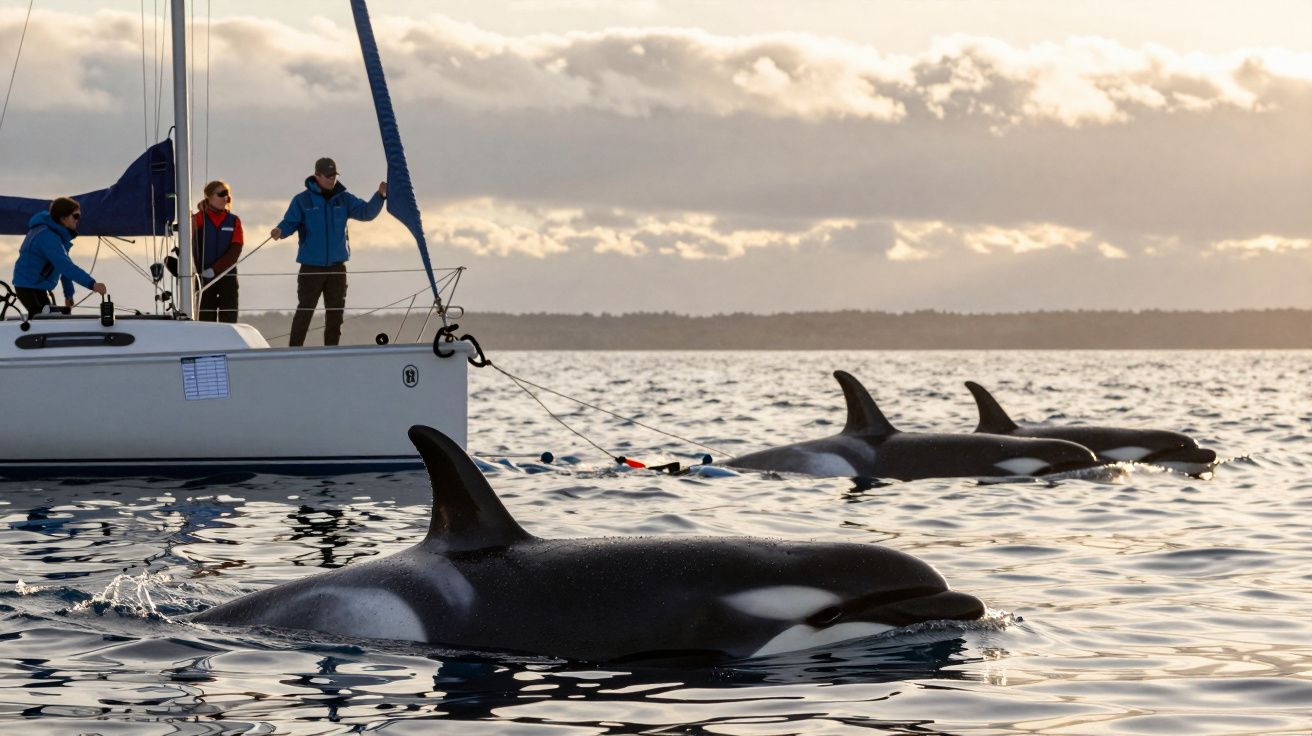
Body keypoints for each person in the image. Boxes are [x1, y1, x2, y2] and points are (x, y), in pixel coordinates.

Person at [270, 157, 386, 346]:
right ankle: (294, 352)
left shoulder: (344, 198)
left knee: (335, 315)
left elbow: (366, 212)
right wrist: (280, 231)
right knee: (305, 311)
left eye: (334, 175)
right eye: (328, 176)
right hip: (311, 267)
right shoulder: (302, 200)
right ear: (317, 175)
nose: (332, 179)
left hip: (337, 267)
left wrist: (380, 196)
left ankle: (332, 353)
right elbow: (290, 222)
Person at [11, 197, 107, 316]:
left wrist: (68, 294)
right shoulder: (47, 237)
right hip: (27, 287)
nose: (77, 220)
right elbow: (65, 267)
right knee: (43, 319)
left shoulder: (56, 236)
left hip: (36, 286)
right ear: (63, 218)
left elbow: (63, 267)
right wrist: (92, 284)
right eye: (75, 216)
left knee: (50, 318)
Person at [192, 180, 244, 322]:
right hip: (204, 278)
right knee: (205, 319)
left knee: (229, 318)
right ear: (209, 197)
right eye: (221, 194)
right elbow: (189, 245)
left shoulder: (234, 221)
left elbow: (236, 250)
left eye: (227, 194)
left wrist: (214, 269)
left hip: (227, 277)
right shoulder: (198, 219)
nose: (225, 198)